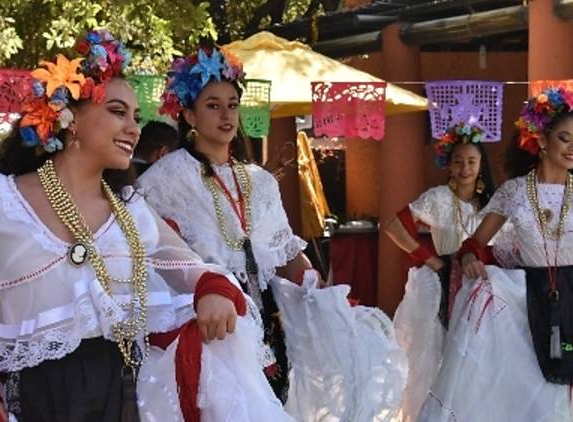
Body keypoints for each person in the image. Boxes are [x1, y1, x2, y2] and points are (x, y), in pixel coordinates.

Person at [0, 29, 291, 422]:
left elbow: (191, 270)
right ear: (70, 117)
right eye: (117, 112)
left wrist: (212, 291)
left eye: (135, 115)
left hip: (128, 395)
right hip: (38, 400)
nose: (133, 127)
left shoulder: (131, 208)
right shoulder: (1, 200)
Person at [139, 44, 407, 422]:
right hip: (211, 322)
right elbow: (154, 256)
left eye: (232, 104)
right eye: (213, 105)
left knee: (273, 403)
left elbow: (284, 253)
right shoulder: (164, 179)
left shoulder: (259, 181)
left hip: (266, 319)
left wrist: (316, 286)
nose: (226, 114)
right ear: (188, 114)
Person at [420, 87, 573, 421]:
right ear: (542, 140)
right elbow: (473, 244)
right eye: (565, 138)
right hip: (530, 296)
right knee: (535, 393)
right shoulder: (514, 192)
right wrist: (470, 258)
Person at [383, 121, 495, 422]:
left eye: (472, 161)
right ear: (449, 164)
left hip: (482, 286)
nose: (465, 168)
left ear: (482, 163)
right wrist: (429, 259)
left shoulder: (492, 204)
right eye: (458, 161)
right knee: (440, 354)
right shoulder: (438, 198)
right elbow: (393, 226)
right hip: (445, 281)